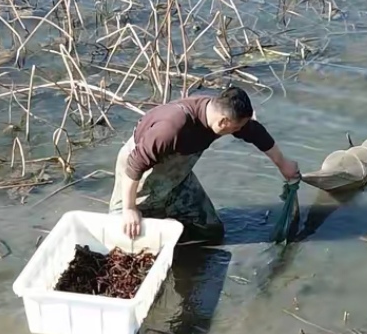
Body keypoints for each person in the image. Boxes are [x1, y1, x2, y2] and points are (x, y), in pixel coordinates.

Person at [108, 86, 300, 243]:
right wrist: (129, 209)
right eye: (237, 127)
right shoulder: (173, 127)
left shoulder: (218, 114)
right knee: (127, 236)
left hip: (179, 177)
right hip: (140, 177)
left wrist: (283, 164)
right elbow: (134, 165)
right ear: (224, 122)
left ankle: (181, 252)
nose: (239, 131)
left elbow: (255, 133)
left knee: (211, 232)